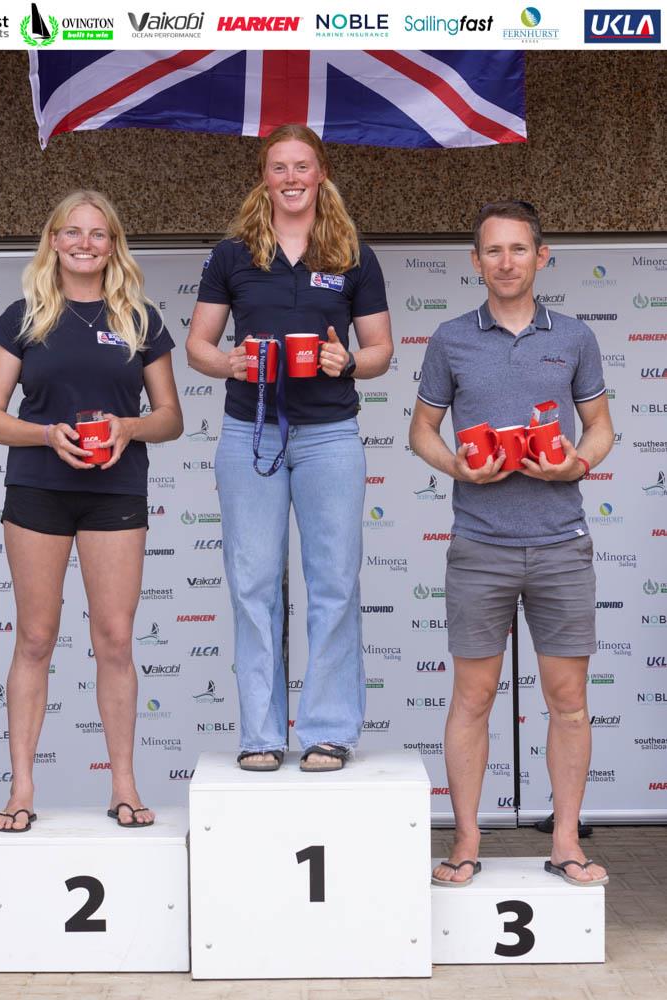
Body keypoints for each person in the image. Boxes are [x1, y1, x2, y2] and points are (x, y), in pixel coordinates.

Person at [409, 201, 613, 886]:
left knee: (569, 700)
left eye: (518, 249)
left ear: (541, 256)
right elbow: (422, 432)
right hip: (480, 542)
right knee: (472, 698)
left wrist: (575, 465)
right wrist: (456, 466)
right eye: (492, 251)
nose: (505, 261)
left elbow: (601, 428)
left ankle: (564, 842)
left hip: (561, 542)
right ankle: (466, 842)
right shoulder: (450, 339)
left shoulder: (577, 336)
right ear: (476, 261)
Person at [0, 190, 183, 831]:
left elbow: (171, 418)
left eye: (99, 234)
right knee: (35, 637)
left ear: (114, 244)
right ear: (54, 242)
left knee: (115, 639)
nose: (85, 243)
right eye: (73, 233)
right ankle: (21, 790)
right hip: (37, 488)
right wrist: (46, 434)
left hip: (116, 492)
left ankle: (124, 787)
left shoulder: (141, 319)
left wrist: (129, 427)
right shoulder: (24, 316)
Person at [186, 124, 392, 772]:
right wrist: (231, 364)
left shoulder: (354, 253)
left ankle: (327, 731)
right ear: (265, 177)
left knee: (332, 581)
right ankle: (261, 736)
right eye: (280, 167)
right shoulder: (232, 255)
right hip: (251, 431)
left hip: (330, 434)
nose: (293, 177)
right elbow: (197, 344)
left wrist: (347, 361)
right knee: (252, 585)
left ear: (321, 172)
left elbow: (382, 351)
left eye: (303, 166)